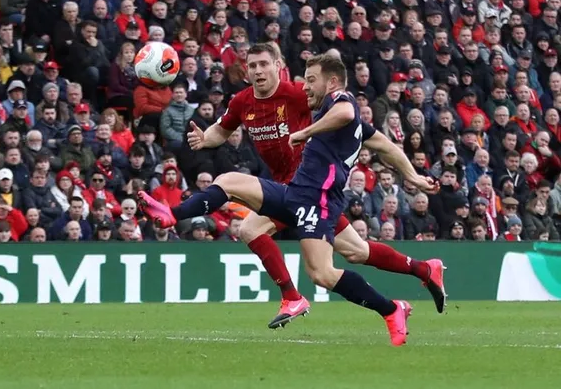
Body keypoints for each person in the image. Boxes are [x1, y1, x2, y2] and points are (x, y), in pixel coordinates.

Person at [141, 44, 446, 328]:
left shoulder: (300, 94)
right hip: (291, 190)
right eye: (252, 66)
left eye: (264, 64)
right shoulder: (242, 101)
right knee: (356, 251)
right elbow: (222, 130)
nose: (258, 71)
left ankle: (293, 297)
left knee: (254, 231)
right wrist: (205, 138)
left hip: (310, 190)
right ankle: (422, 270)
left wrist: (412, 174)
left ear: (278, 66)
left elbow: (374, 138)